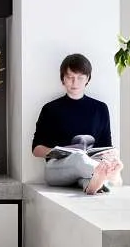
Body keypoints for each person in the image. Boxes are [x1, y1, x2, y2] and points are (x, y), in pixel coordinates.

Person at [31, 53, 123, 195]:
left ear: (88, 79)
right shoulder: (50, 109)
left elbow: (105, 145)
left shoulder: (100, 109)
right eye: (70, 77)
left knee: (89, 176)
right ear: (63, 79)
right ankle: (110, 175)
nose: (75, 83)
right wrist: (56, 152)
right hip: (57, 169)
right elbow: (36, 149)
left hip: (88, 167)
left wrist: (111, 154)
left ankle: (93, 185)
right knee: (79, 158)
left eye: (80, 78)